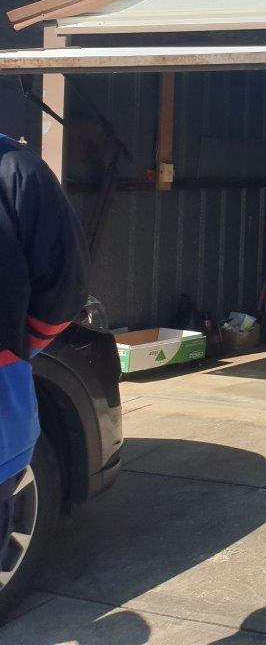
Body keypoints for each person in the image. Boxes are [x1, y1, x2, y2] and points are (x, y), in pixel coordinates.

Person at [0, 134, 89, 555]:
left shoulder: (16, 172)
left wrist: (15, 350)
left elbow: (60, 294)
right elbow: (60, 299)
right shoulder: (17, 170)